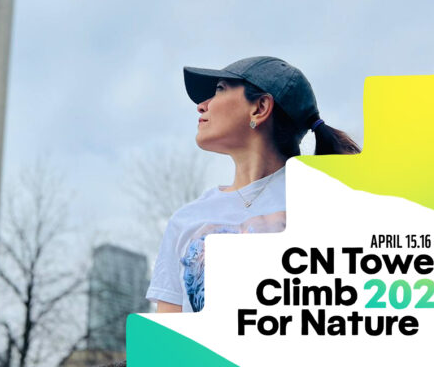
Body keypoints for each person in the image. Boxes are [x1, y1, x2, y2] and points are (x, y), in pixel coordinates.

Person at [145, 56, 360, 313]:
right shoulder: (185, 220)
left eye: (220, 90)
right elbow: (167, 344)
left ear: (259, 108)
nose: (201, 106)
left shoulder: (328, 203)